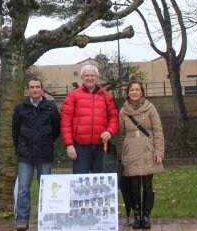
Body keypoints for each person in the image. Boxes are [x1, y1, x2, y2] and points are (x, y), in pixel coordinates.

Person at [12, 77, 61, 231]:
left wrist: (45, 141)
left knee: (45, 188)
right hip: (25, 153)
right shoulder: (20, 108)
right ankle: (22, 218)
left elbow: (56, 130)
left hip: (44, 153)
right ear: (28, 90)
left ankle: (45, 217)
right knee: (23, 188)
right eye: (31, 87)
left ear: (42, 89)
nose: (34, 89)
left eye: (37, 87)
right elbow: (15, 131)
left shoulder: (51, 107)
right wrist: (20, 147)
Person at [118, 80, 165, 229]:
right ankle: (136, 215)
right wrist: (121, 153)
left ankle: (146, 215)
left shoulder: (150, 108)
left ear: (142, 92)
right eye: (132, 90)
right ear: (128, 92)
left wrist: (159, 151)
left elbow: (158, 130)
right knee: (133, 186)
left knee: (147, 185)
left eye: (137, 89)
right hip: (131, 151)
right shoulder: (123, 111)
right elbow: (120, 134)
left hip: (147, 150)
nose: (134, 92)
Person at [60, 64, 119, 174]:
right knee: (80, 183)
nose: (90, 78)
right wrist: (69, 145)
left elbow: (114, 117)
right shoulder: (73, 96)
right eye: (87, 75)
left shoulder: (106, 96)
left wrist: (110, 131)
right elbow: (65, 121)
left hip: (101, 146)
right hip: (80, 148)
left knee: (100, 184)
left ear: (97, 77)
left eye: (92, 75)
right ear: (82, 77)